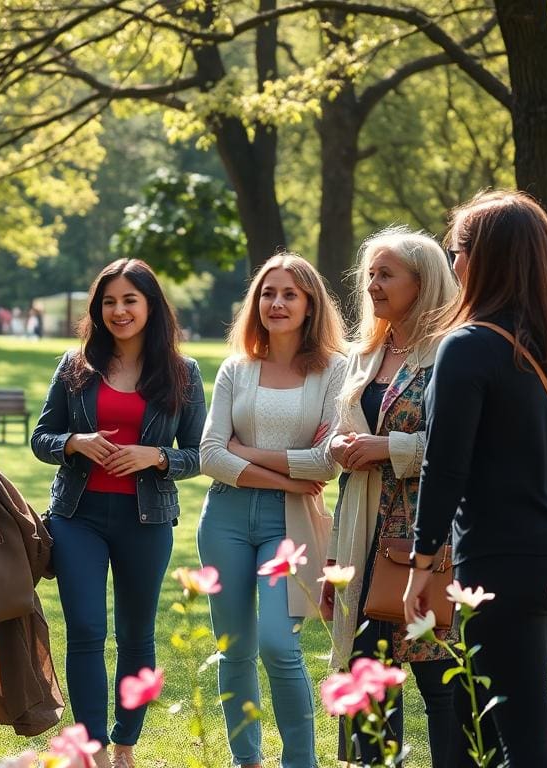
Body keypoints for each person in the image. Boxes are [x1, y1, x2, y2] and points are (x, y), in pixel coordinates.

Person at [403, 191, 547, 767]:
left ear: (485, 257)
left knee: (520, 744)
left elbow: (445, 465)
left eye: (457, 249)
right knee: (479, 733)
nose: (453, 262)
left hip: (502, 564)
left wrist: (421, 567)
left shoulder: (469, 347)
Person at [31, 258, 206, 768]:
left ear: (151, 306)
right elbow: (41, 439)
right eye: (109, 301)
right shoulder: (75, 366)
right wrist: (74, 442)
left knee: (135, 634)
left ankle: (125, 741)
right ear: (97, 309)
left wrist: (158, 457)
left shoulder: (182, 372)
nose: (119, 310)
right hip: (77, 516)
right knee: (85, 629)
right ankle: (92, 750)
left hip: (145, 521)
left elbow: (199, 453)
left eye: (130, 300)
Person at [198, 253, 347, 768]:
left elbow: (327, 462)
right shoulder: (236, 368)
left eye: (289, 294)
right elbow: (209, 454)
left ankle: (299, 763)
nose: (276, 303)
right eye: (267, 293)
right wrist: (286, 475)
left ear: (310, 305)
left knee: (279, 646)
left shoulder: (335, 370)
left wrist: (249, 453)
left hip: (295, 523)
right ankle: (247, 761)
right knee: (234, 648)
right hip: (225, 520)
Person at [324, 227, 459, 766]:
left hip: (422, 533)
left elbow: (460, 446)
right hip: (363, 527)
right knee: (367, 669)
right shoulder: (365, 352)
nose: (373, 285)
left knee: (436, 670)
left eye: (387, 274)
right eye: (370, 274)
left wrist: (388, 447)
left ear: (422, 283)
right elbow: (346, 426)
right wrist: (340, 443)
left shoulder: (448, 352)